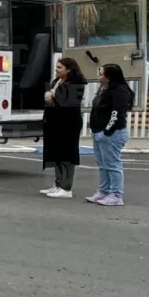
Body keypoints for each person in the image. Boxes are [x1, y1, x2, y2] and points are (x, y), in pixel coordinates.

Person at [40, 57, 87, 199]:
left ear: (69, 69)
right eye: (57, 66)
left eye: (60, 67)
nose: (57, 69)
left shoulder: (76, 83)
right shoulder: (57, 81)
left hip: (68, 123)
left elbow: (65, 101)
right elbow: (50, 96)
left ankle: (66, 187)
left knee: (67, 154)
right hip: (54, 121)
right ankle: (58, 183)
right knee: (56, 153)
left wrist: (53, 97)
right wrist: (52, 96)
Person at [87, 63, 133, 206]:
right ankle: (104, 190)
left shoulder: (120, 91)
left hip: (112, 133)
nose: (99, 77)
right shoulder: (105, 89)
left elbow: (117, 113)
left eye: (101, 74)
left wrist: (107, 131)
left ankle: (116, 194)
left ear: (110, 76)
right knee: (103, 164)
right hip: (99, 131)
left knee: (112, 165)